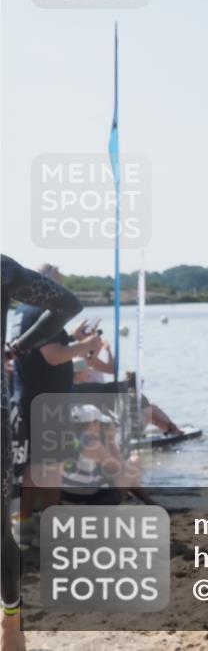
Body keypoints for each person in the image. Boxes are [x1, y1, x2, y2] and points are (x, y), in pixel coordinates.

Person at [2, 255, 82, 651]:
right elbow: (67, 306)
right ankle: (11, 627)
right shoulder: (5, 272)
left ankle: (11, 624)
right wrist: (18, 348)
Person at [9, 264, 103, 535]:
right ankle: (48, 527)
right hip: (47, 401)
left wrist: (72, 337)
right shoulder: (43, 308)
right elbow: (54, 356)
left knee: (36, 464)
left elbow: (38, 347)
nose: (61, 291)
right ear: (44, 284)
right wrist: (87, 346)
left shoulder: (22, 310)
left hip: (29, 396)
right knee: (52, 467)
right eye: (58, 285)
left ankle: (25, 522)